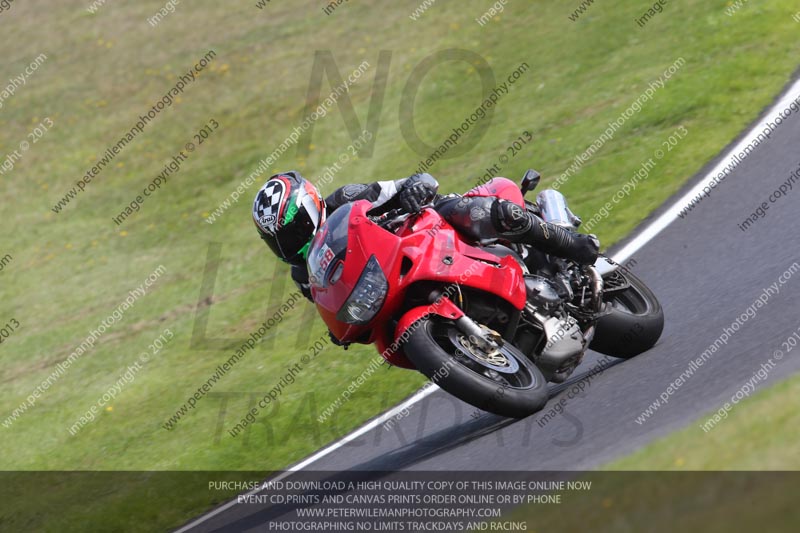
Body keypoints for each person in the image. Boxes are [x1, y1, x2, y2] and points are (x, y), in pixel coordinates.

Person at [252, 170, 599, 300]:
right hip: (397, 276)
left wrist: (415, 188)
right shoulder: (303, 275)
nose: (288, 244)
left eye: (292, 230)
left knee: (487, 211)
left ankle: (570, 243)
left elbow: (407, 182)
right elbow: (333, 303)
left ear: (311, 206)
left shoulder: (345, 198)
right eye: (277, 240)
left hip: (431, 228)